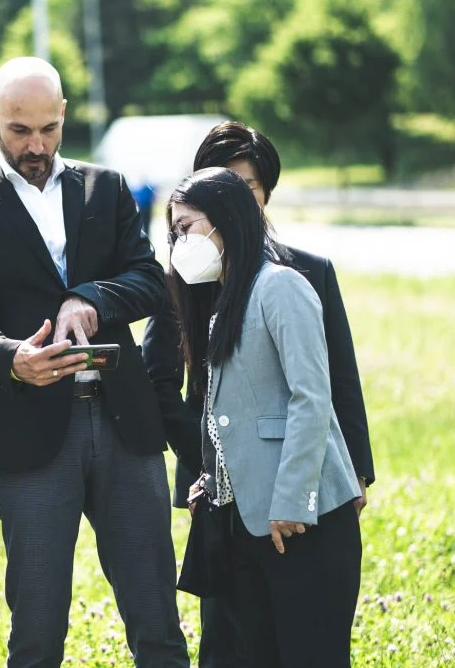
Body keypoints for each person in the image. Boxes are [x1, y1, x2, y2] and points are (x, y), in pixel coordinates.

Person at [0, 57, 189, 668]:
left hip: (126, 423)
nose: (37, 145)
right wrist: (11, 357)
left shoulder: (107, 186)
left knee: (157, 617)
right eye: (20, 130)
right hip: (31, 430)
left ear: (64, 115)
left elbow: (150, 280)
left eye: (49, 128)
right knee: (38, 628)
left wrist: (92, 298)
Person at [142, 121, 375, 667]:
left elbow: (317, 393)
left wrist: (300, 495)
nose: (179, 242)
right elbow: (203, 400)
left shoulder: (285, 282)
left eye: (187, 226)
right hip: (234, 510)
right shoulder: (211, 294)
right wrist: (213, 476)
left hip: (295, 511)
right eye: (174, 230)